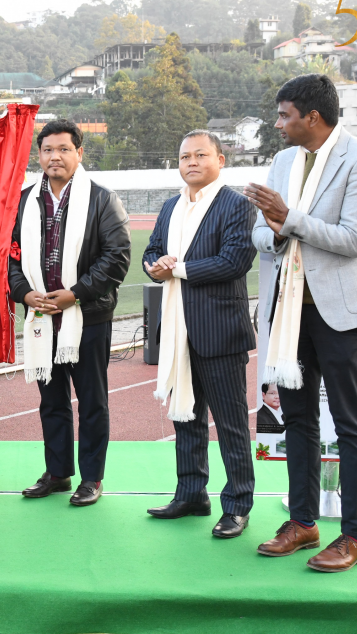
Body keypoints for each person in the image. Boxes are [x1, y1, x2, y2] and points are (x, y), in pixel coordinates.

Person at [245, 73, 357, 572]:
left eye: (285, 115)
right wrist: (275, 231)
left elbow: (354, 239)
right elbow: (259, 238)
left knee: (350, 422)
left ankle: (352, 535)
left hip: (342, 312)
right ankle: (303, 522)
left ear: (313, 116)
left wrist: (288, 221)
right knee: (299, 420)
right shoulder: (284, 160)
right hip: (289, 312)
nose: (279, 123)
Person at [8, 119, 131, 506]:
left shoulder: (101, 198)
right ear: (39, 155)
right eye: (47, 150)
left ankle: (92, 478)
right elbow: (8, 257)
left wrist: (75, 294)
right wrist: (25, 294)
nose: (55, 156)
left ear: (80, 153)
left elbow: (117, 257)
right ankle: (58, 472)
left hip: (87, 316)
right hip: (41, 317)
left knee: (92, 400)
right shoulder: (25, 200)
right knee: (52, 401)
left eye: (63, 149)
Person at [143, 130, 257, 538]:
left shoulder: (236, 205)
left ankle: (238, 504)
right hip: (177, 334)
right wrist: (153, 265)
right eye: (184, 156)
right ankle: (192, 494)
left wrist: (176, 269)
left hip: (219, 332)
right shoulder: (171, 206)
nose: (191, 162)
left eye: (200, 155)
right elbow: (151, 251)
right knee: (186, 419)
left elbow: (235, 260)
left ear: (220, 160)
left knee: (230, 424)